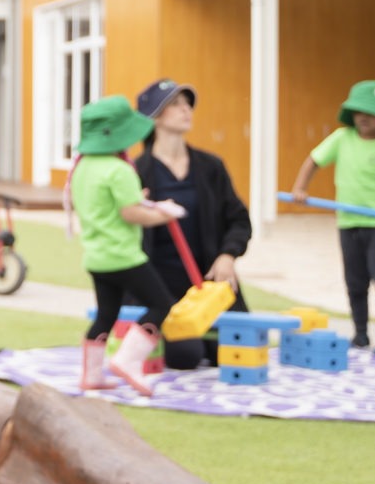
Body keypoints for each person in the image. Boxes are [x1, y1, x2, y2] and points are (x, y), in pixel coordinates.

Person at [132, 79, 252, 371]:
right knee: (185, 356)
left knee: (237, 352)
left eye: (188, 104)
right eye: (175, 104)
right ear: (154, 115)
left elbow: (239, 219)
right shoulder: (135, 171)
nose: (186, 110)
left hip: (208, 286)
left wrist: (227, 255)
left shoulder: (211, 166)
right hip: (160, 288)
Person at [68, 96, 186, 392]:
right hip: (123, 255)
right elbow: (132, 213)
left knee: (107, 314)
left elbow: (106, 203)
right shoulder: (119, 169)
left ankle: (92, 375)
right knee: (161, 304)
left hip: (96, 257)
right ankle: (129, 361)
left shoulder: (82, 167)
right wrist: (164, 213)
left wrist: (138, 199)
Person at [286, 79, 375, 355]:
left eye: (372, 112)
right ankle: (360, 335)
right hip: (348, 223)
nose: (364, 117)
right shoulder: (342, 138)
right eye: (359, 111)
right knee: (355, 283)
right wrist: (300, 188)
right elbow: (313, 160)